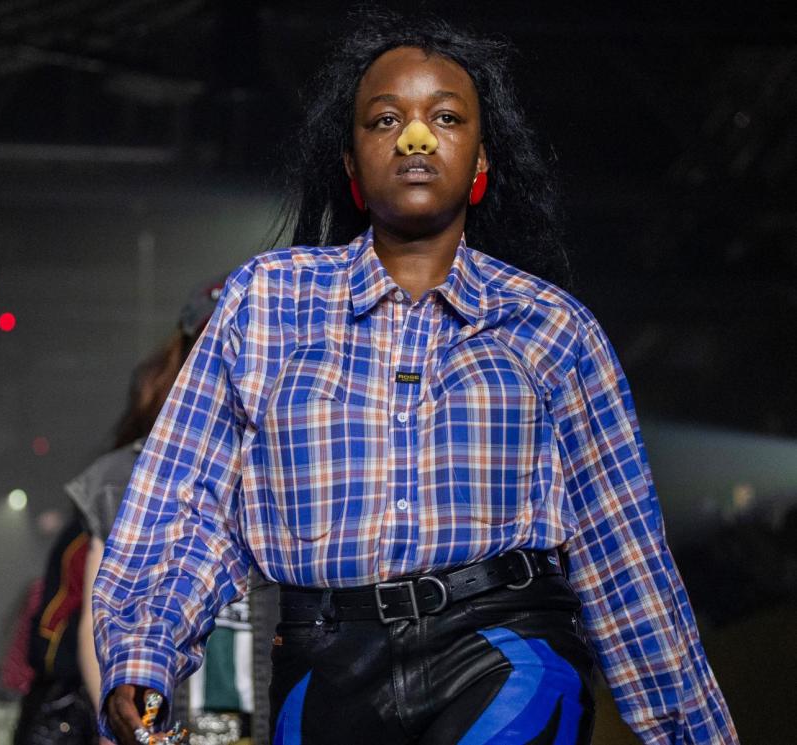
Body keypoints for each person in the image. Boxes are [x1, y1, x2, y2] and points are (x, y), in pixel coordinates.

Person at [93, 10, 737, 745]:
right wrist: (141, 657)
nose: (416, 136)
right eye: (385, 119)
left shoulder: (551, 328)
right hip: (323, 662)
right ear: (351, 166)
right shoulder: (268, 304)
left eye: (447, 116)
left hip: (505, 648)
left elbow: (624, 557)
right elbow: (191, 504)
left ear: (481, 159)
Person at [72, 280, 275, 745]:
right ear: (185, 357)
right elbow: (98, 612)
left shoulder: (295, 460)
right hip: (171, 717)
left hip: (269, 715)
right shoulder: (125, 473)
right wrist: (114, 714)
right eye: (211, 343)